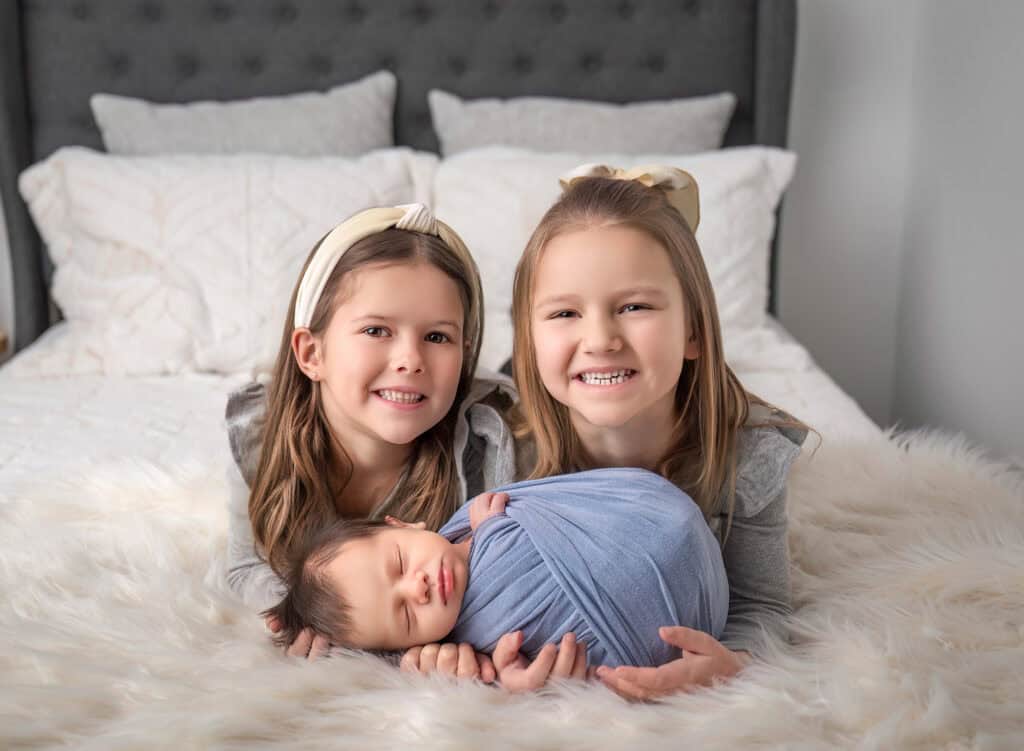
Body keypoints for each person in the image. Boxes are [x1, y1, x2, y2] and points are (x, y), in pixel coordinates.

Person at [509, 164, 809, 699]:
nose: (600, 338)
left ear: (693, 330)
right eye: (565, 313)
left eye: (634, 307)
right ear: (528, 341)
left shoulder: (749, 456)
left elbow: (761, 606)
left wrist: (730, 663)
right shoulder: (506, 448)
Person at [223, 203, 524, 677]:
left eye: (438, 337)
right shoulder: (260, 435)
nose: (410, 359)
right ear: (312, 352)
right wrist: (313, 614)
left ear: (465, 355)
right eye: (376, 330)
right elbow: (242, 569)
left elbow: (510, 578)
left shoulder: (484, 448)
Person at [264, 468, 728, 686]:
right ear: (408, 645)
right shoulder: (470, 646)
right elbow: (518, 673)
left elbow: (554, 500)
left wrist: (493, 526)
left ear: (404, 525)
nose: (418, 587)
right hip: (666, 631)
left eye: (401, 564)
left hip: (652, 512)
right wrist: (518, 681)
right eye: (405, 614)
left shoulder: (478, 512)